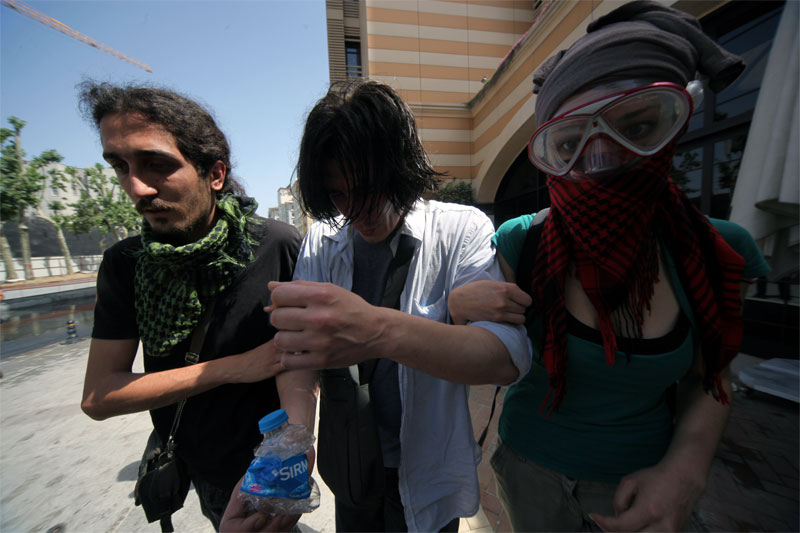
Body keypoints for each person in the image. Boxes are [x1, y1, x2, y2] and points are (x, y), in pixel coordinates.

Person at [447, 1, 771, 531]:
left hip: (645, 479)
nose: (601, 162)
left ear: (674, 124)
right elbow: (486, 351)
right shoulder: (522, 240)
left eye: (637, 127)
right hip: (528, 471)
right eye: (572, 144)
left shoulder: (714, 250)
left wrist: (686, 471)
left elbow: (709, 379)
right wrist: (454, 307)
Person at [226, 79, 532, 532]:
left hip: (430, 468)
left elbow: (506, 358)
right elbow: (296, 355)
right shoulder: (321, 242)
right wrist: (293, 442)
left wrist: (375, 330)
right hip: (350, 466)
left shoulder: (461, 229)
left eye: (369, 188)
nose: (357, 211)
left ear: (402, 166)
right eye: (338, 196)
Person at [78, 82, 316, 531]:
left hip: (269, 458)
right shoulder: (125, 265)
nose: (136, 188)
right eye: (120, 166)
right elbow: (99, 395)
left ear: (215, 174)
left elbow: (295, 354)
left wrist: (296, 442)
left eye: (156, 165)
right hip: (200, 465)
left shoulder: (275, 245)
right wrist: (232, 367)